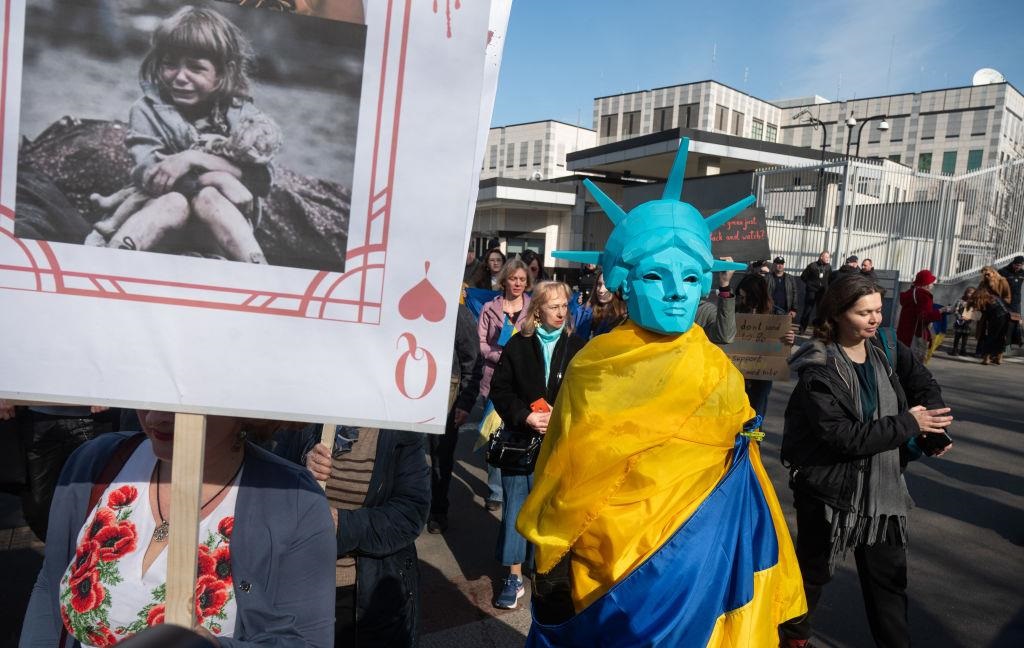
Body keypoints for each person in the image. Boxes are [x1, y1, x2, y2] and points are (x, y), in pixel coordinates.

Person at [517, 138, 805, 646]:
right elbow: (563, 471)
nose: (676, 291)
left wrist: (777, 574)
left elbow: (746, 477)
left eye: (691, 277)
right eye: (655, 274)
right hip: (608, 573)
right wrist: (550, 560)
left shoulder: (718, 369)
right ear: (623, 283)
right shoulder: (594, 367)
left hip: (705, 568)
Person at [21, 411, 337, 647]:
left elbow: (307, 641)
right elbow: (51, 583)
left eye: (184, 401)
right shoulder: (96, 462)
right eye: (150, 387)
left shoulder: (295, 501)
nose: (155, 416)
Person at [779, 274, 953, 648]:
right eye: (863, 313)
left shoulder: (886, 344)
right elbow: (843, 436)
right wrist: (910, 423)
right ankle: (794, 639)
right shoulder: (819, 366)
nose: (875, 319)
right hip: (828, 490)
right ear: (837, 314)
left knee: (888, 584)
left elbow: (923, 384)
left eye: (877, 310)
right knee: (812, 575)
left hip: (882, 493)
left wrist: (933, 429)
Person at [92, 6, 279, 264]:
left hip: (216, 234)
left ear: (223, 72)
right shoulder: (146, 111)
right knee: (174, 203)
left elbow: (262, 179)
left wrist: (194, 159)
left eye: (196, 68)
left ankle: (257, 268)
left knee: (210, 199)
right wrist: (223, 177)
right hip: (162, 222)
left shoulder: (243, 115)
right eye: (170, 64)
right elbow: (153, 174)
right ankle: (113, 258)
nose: (180, 77)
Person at [488, 281, 585, 610]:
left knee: (553, 509)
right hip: (521, 440)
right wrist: (525, 416)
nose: (561, 312)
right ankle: (513, 577)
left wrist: (564, 414)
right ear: (538, 310)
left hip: (561, 443)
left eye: (564, 306)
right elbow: (500, 390)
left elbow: (589, 393)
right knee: (517, 507)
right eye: (553, 306)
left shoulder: (577, 346)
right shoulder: (518, 344)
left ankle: (543, 569)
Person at [302, 427, 430, 648]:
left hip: (362, 592)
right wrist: (299, 468)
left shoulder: (402, 433)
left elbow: (411, 514)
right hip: (297, 586)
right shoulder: (302, 422)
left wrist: (342, 525)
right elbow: (265, 486)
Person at [477, 259, 533, 510]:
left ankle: (520, 486)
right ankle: (496, 491)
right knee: (493, 435)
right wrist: (497, 355)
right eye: (513, 278)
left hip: (524, 382)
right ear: (505, 280)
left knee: (521, 433)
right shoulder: (489, 308)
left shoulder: (534, 308)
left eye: (522, 279)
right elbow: (480, 343)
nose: (518, 283)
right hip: (493, 380)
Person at [427, 304, 482, 533]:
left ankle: (437, 510)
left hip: (445, 391)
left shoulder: (458, 313)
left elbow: (472, 361)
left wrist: (465, 402)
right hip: (406, 386)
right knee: (400, 452)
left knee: (440, 455)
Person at [735, 273, 796, 422]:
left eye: (744, 297)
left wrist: (790, 339)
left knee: (758, 409)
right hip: (738, 370)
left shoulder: (777, 314)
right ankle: (737, 436)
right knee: (737, 410)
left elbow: (783, 345)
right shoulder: (737, 311)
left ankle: (755, 436)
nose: (742, 300)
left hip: (763, 373)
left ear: (755, 295)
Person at [896, 269, 945, 361]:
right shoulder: (924, 296)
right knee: (915, 362)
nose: (933, 285)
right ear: (926, 284)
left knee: (902, 359)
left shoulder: (910, 292)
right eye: (931, 282)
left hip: (904, 332)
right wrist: (940, 311)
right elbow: (924, 316)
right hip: (916, 334)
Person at [572, 269, 627, 340]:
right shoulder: (583, 312)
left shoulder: (623, 320)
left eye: (607, 285)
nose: (601, 290)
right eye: (599, 284)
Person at [973, 269, 1012, 365]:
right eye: (984, 274)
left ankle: (997, 357)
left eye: (988, 274)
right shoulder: (983, 283)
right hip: (988, 312)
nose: (986, 276)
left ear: (994, 273)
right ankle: (987, 357)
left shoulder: (1002, 281)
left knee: (998, 335)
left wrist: (998, 300)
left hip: (1001, 311)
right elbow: (977, 296)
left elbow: (1008, 297)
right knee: (990, 335)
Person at [799, 251, 832, 334]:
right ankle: (802, 329)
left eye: (829, 257)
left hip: (822, 292)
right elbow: (803, 276)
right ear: (821, 257)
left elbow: (830, 278)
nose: (828, 259)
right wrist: (810, 284)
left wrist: (826, 287)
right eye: (826, 257)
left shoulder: (828, 267)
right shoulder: (812, 266)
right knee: (807, 310)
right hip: (812, 291)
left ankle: (818, 330)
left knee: (820, 311)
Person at [998, 255, 1023, 346]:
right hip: (1005, 300)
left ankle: (1014, 341)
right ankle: (1001, 341)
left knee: (1015, 321)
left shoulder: (1022, 273)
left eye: (1020, 265)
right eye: (1016, 265)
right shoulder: (1004, 271)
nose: (1018, 267)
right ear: (1013, 263)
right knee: (1003, 321)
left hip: (1016, 301)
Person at [949, 287, 976, 356]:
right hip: (960, 322)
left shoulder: (973, 303)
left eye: (973, 293)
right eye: (969, 293)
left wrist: (971, 318)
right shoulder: (960, 301)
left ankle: (963, 350)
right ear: (966, 293)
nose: (971, 295)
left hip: (967, 323)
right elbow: (956, 311)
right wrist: (960, 318)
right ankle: (954, 350)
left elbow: (974, 312)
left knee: (965, 338)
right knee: (957, 337)